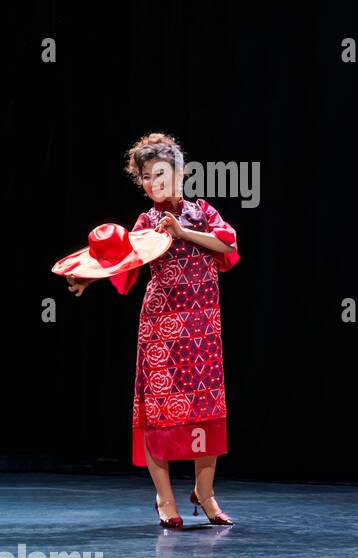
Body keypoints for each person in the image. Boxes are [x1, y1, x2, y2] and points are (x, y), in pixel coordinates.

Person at [66, 133, 240, 528]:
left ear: (180, 174)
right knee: (159, 412)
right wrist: (85, 279)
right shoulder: (146, 223)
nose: (152, 182)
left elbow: (227, 246)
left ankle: (206, 494)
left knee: (206, 409)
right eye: (145, 176)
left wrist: (182, 232)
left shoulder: (202, 213)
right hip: (161, 327)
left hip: (202, 327)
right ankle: (165, 499)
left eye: (160, 173)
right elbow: (121, 261)